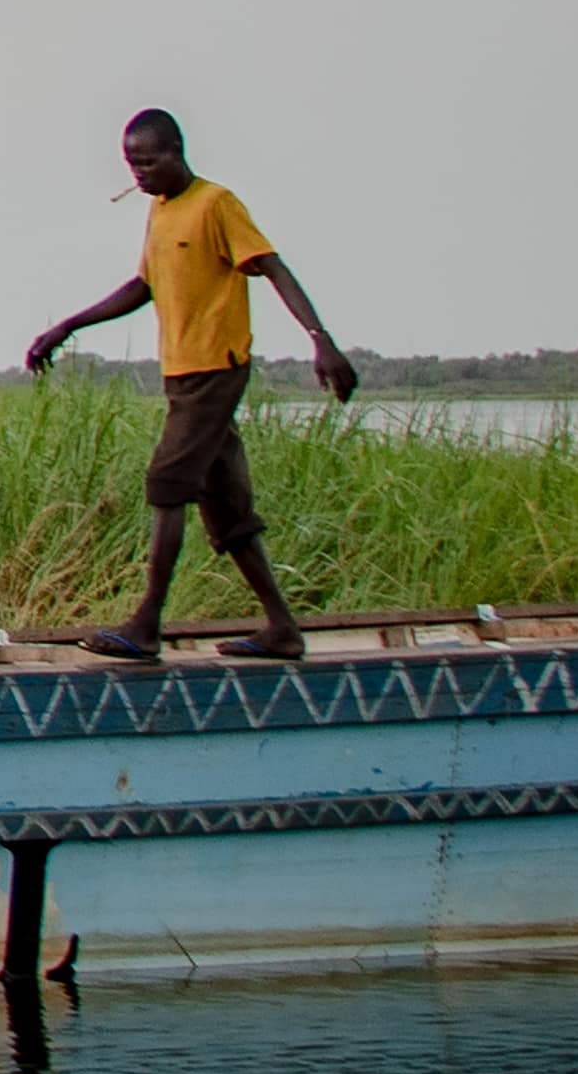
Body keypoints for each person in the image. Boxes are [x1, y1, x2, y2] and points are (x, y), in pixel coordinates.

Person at [24, 107, 358, 662]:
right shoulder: (160, 213)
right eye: (132, 166)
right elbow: (143, 286)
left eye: (149, 162)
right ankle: (282, 630)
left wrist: (320, 339)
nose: (140, 175)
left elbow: (273, 266)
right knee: (227, 509)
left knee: (166, 482)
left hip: (216, 369)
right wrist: (68, 326)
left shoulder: (216, 204)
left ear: (177, 151)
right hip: (180, 375)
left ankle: (146, 625)